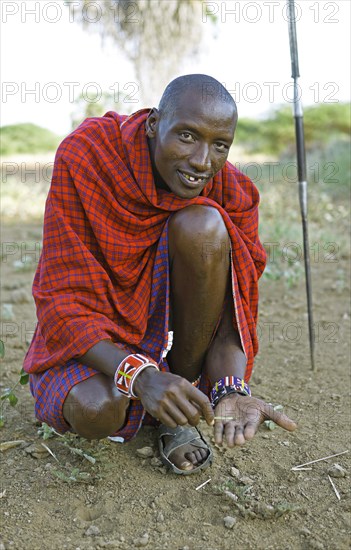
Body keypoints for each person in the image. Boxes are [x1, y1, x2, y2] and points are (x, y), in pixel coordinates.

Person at [23, 74, 296, 475]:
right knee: (97, 409)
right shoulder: (90, 155)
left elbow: (229, 321)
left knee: (203, 224)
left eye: (219, 145)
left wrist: (230, 389)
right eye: (186, 136)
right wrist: (142, 376)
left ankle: (177, 409)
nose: (202, 161)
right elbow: (60, 301)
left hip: (172, 335)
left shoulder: (233, 192)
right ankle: (152, 388)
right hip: (96, 333)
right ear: (153, 124)